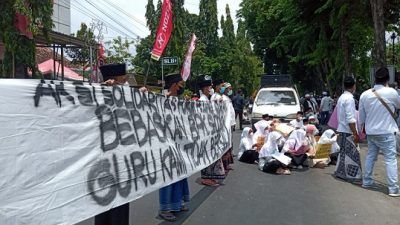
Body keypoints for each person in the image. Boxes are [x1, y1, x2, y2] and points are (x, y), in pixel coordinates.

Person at [95, 63, 131, 225]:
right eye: (123, 79)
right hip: (105, 161)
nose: (126, 82)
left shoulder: (124, 95)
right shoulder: (98, 95)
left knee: (120, 203)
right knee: (105, 203)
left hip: (121, 159)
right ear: (113, 80)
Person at [359, 67, 400, 197]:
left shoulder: (364, 95)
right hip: (387, 132)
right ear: (388, 79)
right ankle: (393, 189)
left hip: (371, 133)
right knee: (390, 159)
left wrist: (362, 131)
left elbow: (362, 117)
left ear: (374, 79)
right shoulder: (392, 92)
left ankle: (367, 181)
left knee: (371, 156)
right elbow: (398, 106)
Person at [158, 73, 190, 221]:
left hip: (178, 143)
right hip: (165, 145)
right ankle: (165, 208)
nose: (181, 87)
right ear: (173, 85)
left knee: (180, 174)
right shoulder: (161, 99)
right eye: (180, 84)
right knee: (168, 177)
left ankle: (177, 203)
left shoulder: (177, 100)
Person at [197, 75, 226, 186]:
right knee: (206, 156)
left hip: (210, 133)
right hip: (205, 134)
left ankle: (211, 177)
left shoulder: (208, 100)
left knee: (211, 156)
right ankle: (206, 178)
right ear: (205, 88)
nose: (211, 89)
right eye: (210, 87)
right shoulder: (201, 101)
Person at [334, 76, 362, 182]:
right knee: (352, 155)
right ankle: (352, 176)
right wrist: (355, 133)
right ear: (354, 86)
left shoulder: (341, 97)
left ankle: (341, 172)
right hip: (348, 129)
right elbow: (351, 118)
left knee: (343, 153)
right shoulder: (349, 99)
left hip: (342, 128)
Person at [221, 82, 236, 171]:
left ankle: (227, 163)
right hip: (226, 124)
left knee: (229, 143)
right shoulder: (223, 98)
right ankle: (224, 164)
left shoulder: (227, 98)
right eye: (229, 89)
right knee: (226, 143)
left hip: (230, 124)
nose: (230, 90)